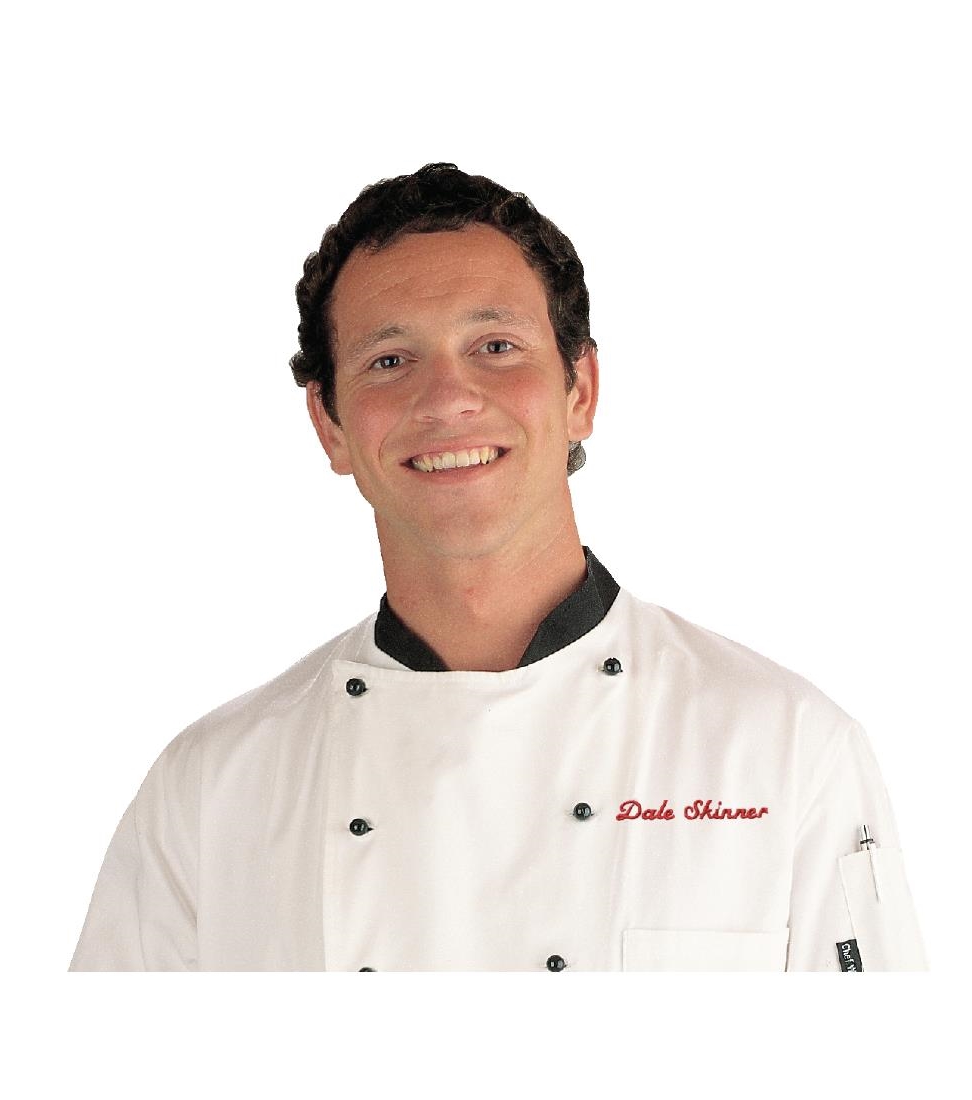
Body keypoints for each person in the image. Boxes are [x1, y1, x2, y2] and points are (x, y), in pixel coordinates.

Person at [69, 163, 928, 972]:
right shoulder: (209, 791)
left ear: (580, 391)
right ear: (330, 425)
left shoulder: (785, 749)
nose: (447, 398)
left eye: (496, 346)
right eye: (390, 361)